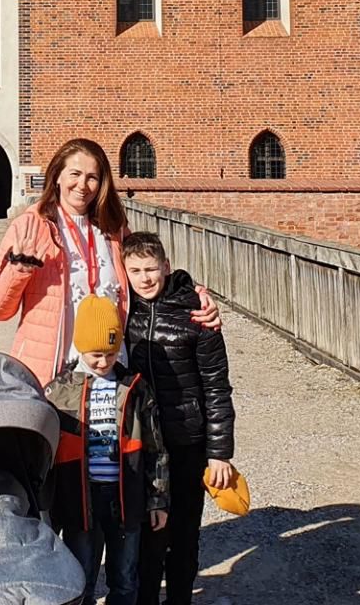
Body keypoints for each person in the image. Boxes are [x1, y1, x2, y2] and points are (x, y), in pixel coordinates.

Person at [0, 137, 217, 387]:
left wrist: (194, 296)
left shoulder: (113, 229)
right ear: (57, 176)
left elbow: (146, 274)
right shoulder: (30, 226)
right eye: (75, 174)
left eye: (92, 177)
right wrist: (19, 269)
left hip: (111, 370)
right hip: (51, 374)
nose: (82, 185)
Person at [122, 232, 236, 605]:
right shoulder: (123, 312)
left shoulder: (196, 314)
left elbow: (216, 387)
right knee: (148, 535)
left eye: (151, 269)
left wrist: (219, 452)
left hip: (187, 440)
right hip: (143, 443)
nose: (145, 278)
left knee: (185, 534)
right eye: (135, 270)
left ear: (166, 267)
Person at [44, 296, 170, 605]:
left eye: (111, 354)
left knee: (125, 579)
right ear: (81, 348)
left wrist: (158, 499)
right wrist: (47, 511)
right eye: (96, 355)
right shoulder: (58, 391)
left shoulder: (134, 387)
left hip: (125, 499)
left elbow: (155, 447)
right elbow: (45, 458)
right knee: (80, 580)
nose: (104, 362)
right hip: (79, 502)